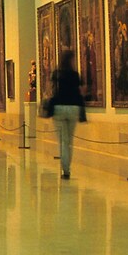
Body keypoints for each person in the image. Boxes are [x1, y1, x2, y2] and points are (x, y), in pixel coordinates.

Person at [50, 50, 85, 179]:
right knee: (69, 141)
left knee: (63, 141)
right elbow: (81, 90)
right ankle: (67, 169)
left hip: (59, 107)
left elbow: (53, 90)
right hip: (73, 108)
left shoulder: (56, 74)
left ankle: (65, 168)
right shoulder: (75, 75)